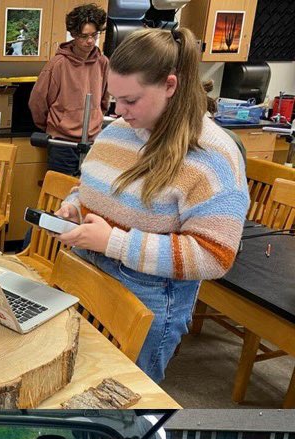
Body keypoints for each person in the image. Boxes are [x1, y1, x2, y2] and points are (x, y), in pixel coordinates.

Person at [55, 27, 249, 383]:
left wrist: (113, 242)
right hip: (90, 276)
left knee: (125, 391)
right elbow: (90, 190)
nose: (119, 110)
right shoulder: (117, 132)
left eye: (131, 100)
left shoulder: (214, 158)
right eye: (114, 98)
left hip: (148, 296)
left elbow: (213, 255)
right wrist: (74, 207)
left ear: (170, 86)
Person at [28, 4, 109, 176]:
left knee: (88, 198)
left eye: (94, 35)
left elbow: (104, 99)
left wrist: (95, 118)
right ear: (73, 34)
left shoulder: (103, 62)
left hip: (93, 142)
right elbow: (37, 103)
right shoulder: (58, 64)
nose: (90, 41)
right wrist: (55, 126)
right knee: (61, 196)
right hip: (62, 144)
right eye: (84, 36)